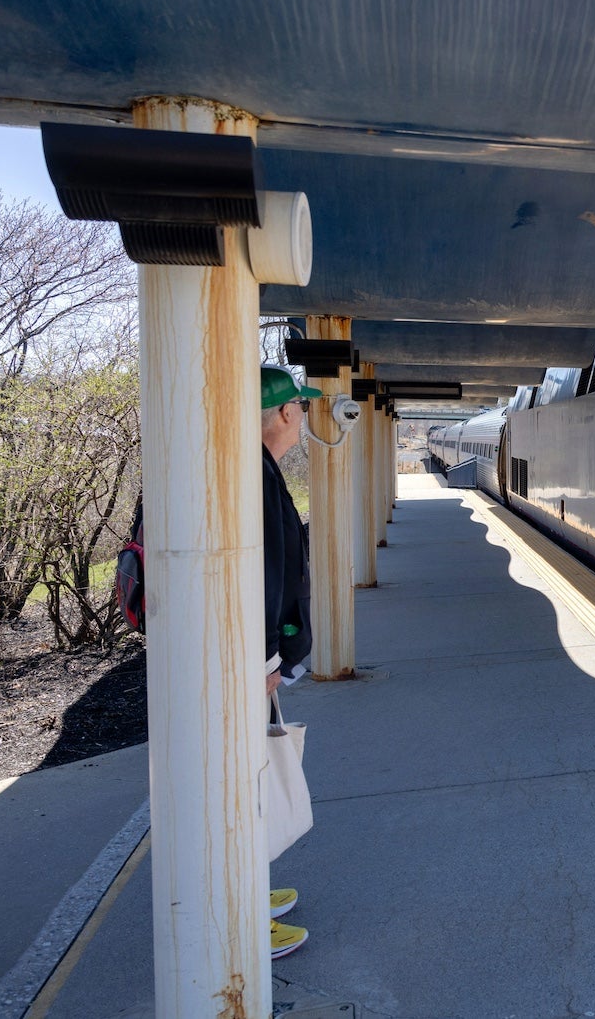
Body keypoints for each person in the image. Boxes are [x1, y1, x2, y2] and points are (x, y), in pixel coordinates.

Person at [260, 364, 320, 959]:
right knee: (242, 782)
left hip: (249, 658)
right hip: (248, 663)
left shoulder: (255, 468)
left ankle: (248, 893)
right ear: (282, 413)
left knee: (247, 779)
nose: (304, 419)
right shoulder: (254, 474)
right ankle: (238, 920)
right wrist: (267, 659)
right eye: (300, 408)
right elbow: (263, 573)